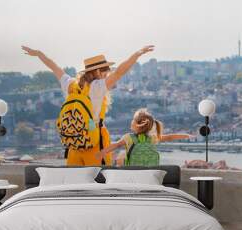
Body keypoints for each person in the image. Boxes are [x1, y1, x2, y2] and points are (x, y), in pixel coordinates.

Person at [21, 45, 154, 166]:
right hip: (94, 141)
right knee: (99, 180)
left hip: (74, 142)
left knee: (75, 181)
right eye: (105, 72)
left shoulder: (70, 85)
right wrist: (137, 54)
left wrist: (39, 54)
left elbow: (55, 68)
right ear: (97, 72)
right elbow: (119, 72)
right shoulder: (97, 87)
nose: (106, 75)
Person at [96, 108, 192, 166]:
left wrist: (102, 152)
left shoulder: (128, 137)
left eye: (133, 119)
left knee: (119, 157)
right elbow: (169, 137)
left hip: (132, 169)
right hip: (149, 169)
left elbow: (115, 145)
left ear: (136, 124)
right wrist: (185, 135)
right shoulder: (152, 138)